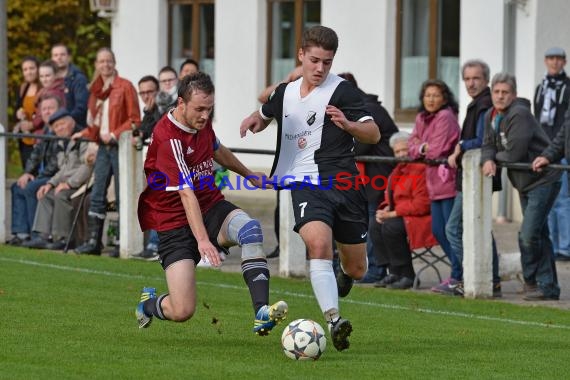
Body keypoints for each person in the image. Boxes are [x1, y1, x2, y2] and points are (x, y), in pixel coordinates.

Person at [240, 26, 380, 351]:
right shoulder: (284, 92)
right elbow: (265, 113)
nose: (320, 68)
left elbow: (373, 134)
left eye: (327, 63)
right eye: (315, 60)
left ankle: (345, 276)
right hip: (304, 180)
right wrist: (253, 121)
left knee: (357, 267)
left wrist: (349, 125)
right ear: (301, 55)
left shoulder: (342, 92)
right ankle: (334, 320)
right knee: (318, 245)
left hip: (344, 184)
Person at [135, 72, 288, 336]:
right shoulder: (169, 138)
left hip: (210, 206)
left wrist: (249, 175)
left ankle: (262, 313)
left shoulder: (199, 122)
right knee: (182, 311)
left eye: (210, 109)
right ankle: (148, 304)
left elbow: (218, 149)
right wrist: (203, 240)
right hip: (174, 223)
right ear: (180, 103)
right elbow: (186, 194)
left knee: (250, 230)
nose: (205, 116)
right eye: (199, 109)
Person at [482, 72, 561, 301]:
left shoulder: (520, 114)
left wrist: (493, 157)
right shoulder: (491, 114)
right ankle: (548, 287)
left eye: (505, 92)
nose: (500, 96)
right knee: (539, 234)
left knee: (527, 235)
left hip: (544, 179)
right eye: (496, 92)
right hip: (524, 183)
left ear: (514, 95)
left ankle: (531, 282)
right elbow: (487, 144)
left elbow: (514, 154)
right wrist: (489, 158)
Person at [73, 47, 141, 256]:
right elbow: (95, 123)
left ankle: (121, 241)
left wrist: (114, 134)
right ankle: (94, 241)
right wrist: (84, 133)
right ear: (96, 65)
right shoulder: (95, 90)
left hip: (119, 146)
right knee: (98, 193)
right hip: (102, 147)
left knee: (121, 195)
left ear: (114, 63)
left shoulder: (125, 86)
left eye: (109, 61)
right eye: (101, 61)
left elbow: (134, 119)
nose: (106, 65)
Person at [445, 59, 502, 297]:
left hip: (477, 177)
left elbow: (482, 141)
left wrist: (460, 145)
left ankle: (478, 275)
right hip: (470, 177)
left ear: (485, 79)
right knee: (479, 228)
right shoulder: (477, 104)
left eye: (476, 78)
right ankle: (491, 278)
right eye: (467, 78)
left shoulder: (485, 104)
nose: (471, 83)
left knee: (453, 229)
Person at [339, 72, 399, 284]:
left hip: (379, 173)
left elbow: (360, 144)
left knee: (372, 220)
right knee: (367, 220)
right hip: (371, 173)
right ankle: (371, 267)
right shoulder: (362, 107)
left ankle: (375, 269)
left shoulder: (368, 111)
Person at [408, 79, 461, 295]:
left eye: (436, 95)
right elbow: (411, 145)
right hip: (432, 183)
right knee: (439, 230)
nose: (431, 99)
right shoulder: (422, 118)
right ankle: (459, 273)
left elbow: (436, 151)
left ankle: (459, 276)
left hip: (447, 181)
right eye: (427, 95)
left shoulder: (446, 117)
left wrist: (421, 148)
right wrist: (421, 146)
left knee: (450, 232)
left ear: (445, 98)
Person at [372, 132, 437, 289]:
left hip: (422, 218)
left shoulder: (420, 168)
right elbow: (391, 197)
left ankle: (408, 275)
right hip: (404, 215)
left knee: (391, 227)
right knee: (375, 225)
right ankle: (393, 272)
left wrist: (392, 213)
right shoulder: (397, 170)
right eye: (397, 152)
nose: (401, 155)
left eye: (404, 150)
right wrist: (385, 208)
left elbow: (422, 205)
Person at [22, 109, 92, 250]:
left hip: (84, 183)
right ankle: (42, 236)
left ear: (71, 122)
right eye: (56, 127)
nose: (59, 128)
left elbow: (87, 167)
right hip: (70, 182)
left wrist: (68, 183)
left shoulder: (83, 138)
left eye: (62, 124)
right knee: (45, 194)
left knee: (60, 195)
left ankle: (63, 238)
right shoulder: (62, 142)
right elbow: (63, 170)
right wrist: (50, 183)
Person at [6, 95, 62, 246]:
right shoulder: (45, 131)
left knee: (31, 187)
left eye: (51, 108)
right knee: (17, 186)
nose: (47, 111)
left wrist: (38, 178)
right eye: (44, 109)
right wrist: (27, 173)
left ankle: (36, 233)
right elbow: (34, 155)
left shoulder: (60, 129)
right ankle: (21, 233)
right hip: (43, 176)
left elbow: (56, 163)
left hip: (56, 177)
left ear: (59, 110)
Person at [533, 47, 570, 262]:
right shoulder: (541, 88)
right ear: (545, 61)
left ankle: (565, 247)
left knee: (563, 200)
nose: (554, 63)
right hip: (544, 151)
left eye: (558, 59)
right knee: (549, 200)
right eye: (550, 59)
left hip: (561, 151)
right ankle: (554, 245)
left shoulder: (567, 86)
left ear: (564, 62)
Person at [130, 75, 162, 261]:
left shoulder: (163, 109)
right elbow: (145, 131)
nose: (146, 96)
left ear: (157, 91)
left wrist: (151, 113)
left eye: (150, 91)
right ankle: (152, 244)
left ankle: (154, 245)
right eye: (142, 92)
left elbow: (160, 129)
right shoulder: (149, 111)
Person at [51, 43, 89, 128]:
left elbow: (81, 108)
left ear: (69, 57)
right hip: (54, 127)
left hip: (74, 128)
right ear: (52, 58)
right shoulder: (49, 78)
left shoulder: (78, 79)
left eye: (62, 54)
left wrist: (63, 121)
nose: (59, 58)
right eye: (55, 55)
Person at [13, 56, 41, 167]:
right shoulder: (23, 87)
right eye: (25, 69)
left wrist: (32, 124)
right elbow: (18, 107)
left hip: (39, 138)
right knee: (26, 169)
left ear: (38, 69)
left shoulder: (43, 87)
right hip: (25, 139)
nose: (28, 72)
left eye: (32, 68)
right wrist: (18, 113)